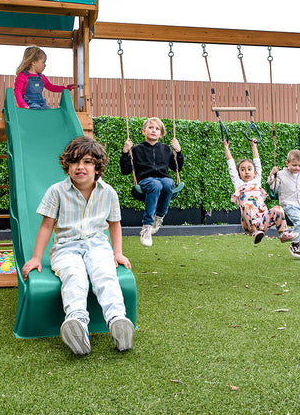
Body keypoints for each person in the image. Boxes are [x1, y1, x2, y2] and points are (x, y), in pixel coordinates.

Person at [22, 136, 134, 355]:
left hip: (98, 246)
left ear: (98, 167)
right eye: (74, 162)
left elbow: (115, 224)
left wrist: (117, 253)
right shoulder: (57, 191)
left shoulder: (108, 192)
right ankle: (78, 324)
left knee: (105, 273)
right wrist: (36, 258)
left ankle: (117, 320)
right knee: (74, 275)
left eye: (87, 161)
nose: (80, 167)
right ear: (67, 166)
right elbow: (46, 227)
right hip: (66, 247)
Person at [120, 117, 184, 247]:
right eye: (150, 128)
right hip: (145, 181)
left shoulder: (166, 149)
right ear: (144, 131)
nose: (153, 131)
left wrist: (178, 151)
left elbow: (177, 167)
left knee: (169, 183)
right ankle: (147, 227)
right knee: (155, 184)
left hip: (162, 179)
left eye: (157, 129)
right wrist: (125, 152)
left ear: (161, 134)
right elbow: (125, 170)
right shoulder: (137, 149)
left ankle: (159, 217)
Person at [223, 137, 297, 244]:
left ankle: (283, 233)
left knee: (278, 209)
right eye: (242, 170)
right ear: (239, 174)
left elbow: (257, 163)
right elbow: (231, 166)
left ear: (255, 172)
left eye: (249, 169)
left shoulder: (257, 181)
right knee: (248, 205)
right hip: (248, 224)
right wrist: (226, 147)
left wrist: (254, 146)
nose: (246, 172)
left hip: (263, 219)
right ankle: (254, 233)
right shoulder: (239, 184)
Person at [268, 149, 300, 260]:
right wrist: (272, 175)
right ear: (287, 163)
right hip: (289, 204)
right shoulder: (281, 174)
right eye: (294, 165)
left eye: (299, 166)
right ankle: (294, 244)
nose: (297, 168)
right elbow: (272, 186)